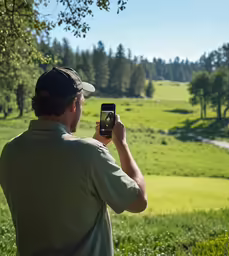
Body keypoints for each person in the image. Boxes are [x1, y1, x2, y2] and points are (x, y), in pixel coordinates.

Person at [0, 67, 147, 256]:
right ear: (74, 104)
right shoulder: (89, 154)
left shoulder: (11, 151)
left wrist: (97, 146)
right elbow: (138, 202)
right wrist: (122, 145)